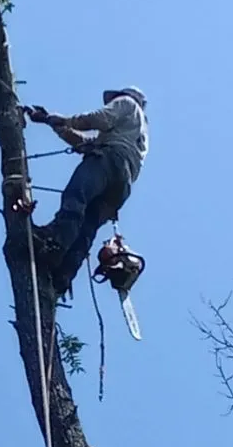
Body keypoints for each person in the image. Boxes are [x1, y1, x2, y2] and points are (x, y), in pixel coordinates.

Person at [22, 86, 148, 294]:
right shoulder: (136, 131)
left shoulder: (127, 103)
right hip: (121, 185)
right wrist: (53, 123)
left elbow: (100, 118)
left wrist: (64, 119)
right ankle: (63, 275)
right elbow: (86, 143)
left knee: (75, 197)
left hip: (109, 161)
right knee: (87, 228)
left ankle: (56, 243)